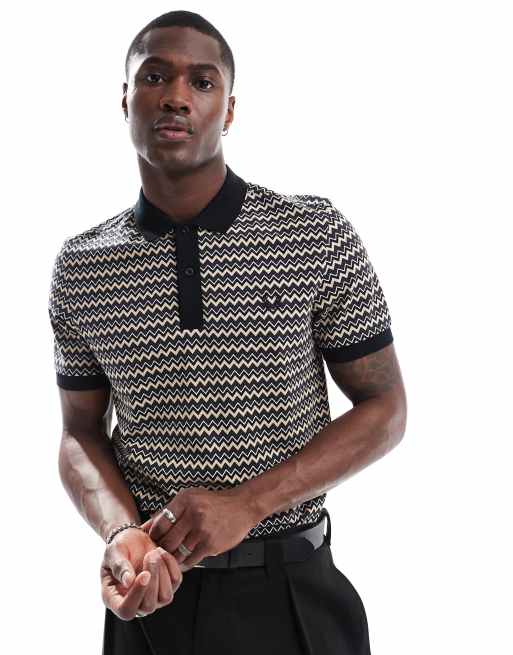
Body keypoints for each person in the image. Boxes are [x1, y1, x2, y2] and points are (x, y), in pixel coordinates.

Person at [47, 9, 407, 655]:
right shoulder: (82, 266)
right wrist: (119, 533)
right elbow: (79, 432)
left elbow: (385, 408)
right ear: (125, 101)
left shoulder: (313, 233)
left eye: (202, 81)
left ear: (229, 110)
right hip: (153, 599)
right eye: (154, 76)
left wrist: (248, 503)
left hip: (294, 590)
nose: (176, 96)